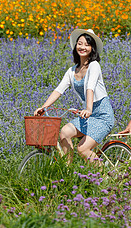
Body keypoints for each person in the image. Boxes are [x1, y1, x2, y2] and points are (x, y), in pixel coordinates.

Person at [34, 29, 115, 163]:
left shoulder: (94, 65)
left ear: (92, 48)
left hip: (102, 116)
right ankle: (68, 171)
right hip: (87, 115)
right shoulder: (72, 71)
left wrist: (89, 109)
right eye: (80, 43)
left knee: (82, 149)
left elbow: (90, 87)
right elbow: (59, 90)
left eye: (87, 44)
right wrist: (44, 107)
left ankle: (106, 177)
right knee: (64, 132)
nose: (82, 47)